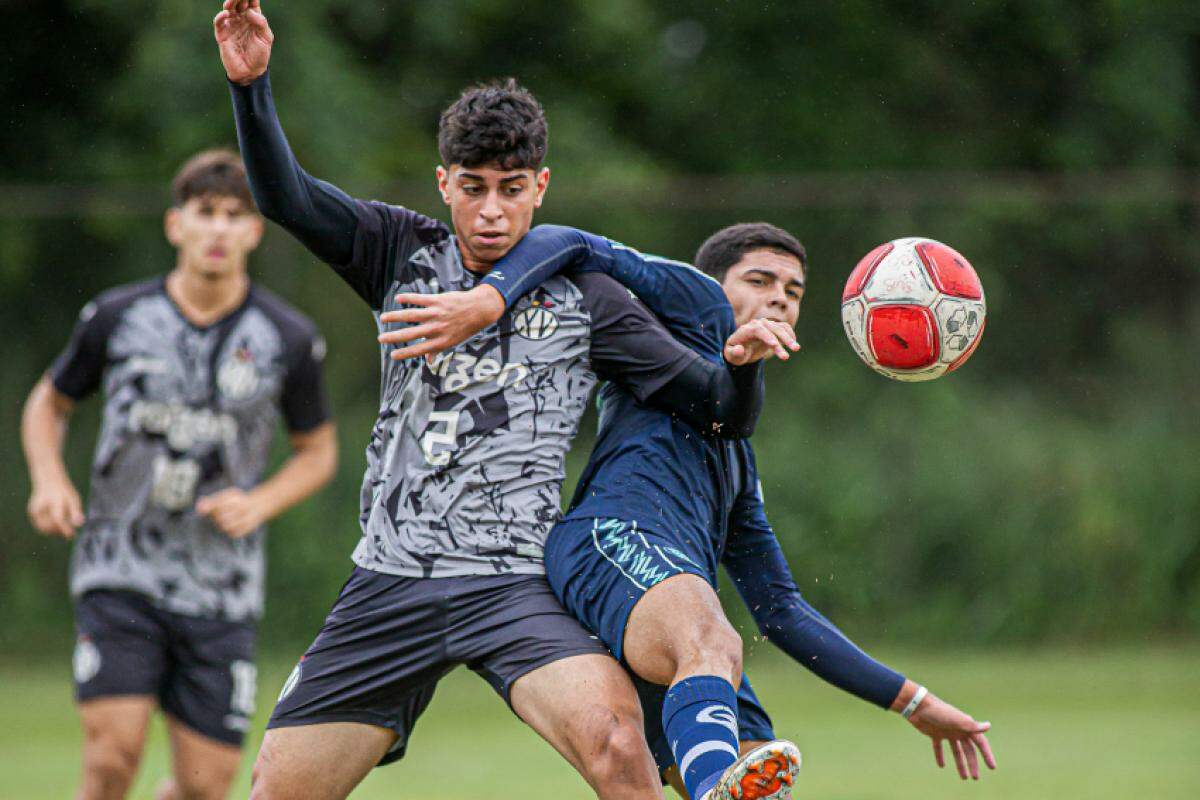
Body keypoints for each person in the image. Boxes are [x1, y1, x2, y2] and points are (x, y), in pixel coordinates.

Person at [214, 3, 799, 798]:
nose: (492, 211)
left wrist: (741, 365)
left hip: (511, 586)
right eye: (475, 188)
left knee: (620, 746)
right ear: (443, 183)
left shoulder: (590, 298)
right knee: (277, 792)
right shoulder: (398, 252)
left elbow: (723, 413)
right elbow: (286, 199)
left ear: (541, 187)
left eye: (513, 190)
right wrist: (251, 87)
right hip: (390, 581)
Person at [459, 223, 999, 799]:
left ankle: (714, 782)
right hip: (608, 540)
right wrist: (490, 294)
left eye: (793, 292)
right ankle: (716, 783)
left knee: (754, 761)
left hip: (659, 601)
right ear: (714, 284)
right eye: (760, 280)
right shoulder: (690, 306)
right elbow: (575, 244)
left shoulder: (738, 469)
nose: (779, 298)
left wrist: (913, 701)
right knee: (712, 639)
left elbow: (782, 612)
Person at [20, 148, 338, 800]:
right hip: (120, 569)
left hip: (220, 586)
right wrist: (49, 478)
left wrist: (260, 502)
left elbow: (318, 451)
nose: (219, 228)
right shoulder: (117, 317)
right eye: (205, 213)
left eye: (234, 215)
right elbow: (48, 403)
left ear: (254, 230)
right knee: (113, 757)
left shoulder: (287, 337)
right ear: (176, 225)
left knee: (205, 786)